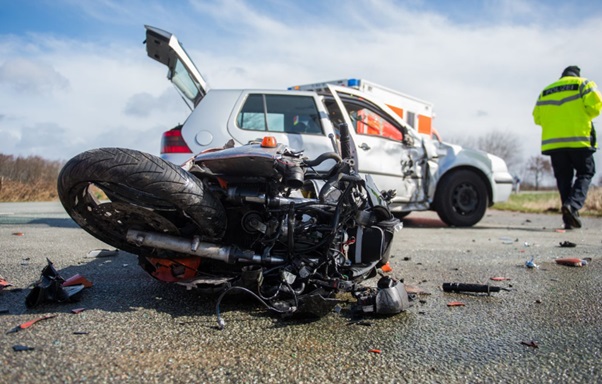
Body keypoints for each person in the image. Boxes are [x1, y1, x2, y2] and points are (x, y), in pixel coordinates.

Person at [533, 65, 602, 229]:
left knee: (563, 179)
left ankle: (568, 219)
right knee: (586, 172)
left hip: (555, 143)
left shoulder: (546, 90)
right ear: (577, 74)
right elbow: (596, 106)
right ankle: (573, 205)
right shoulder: (583, 84)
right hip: (578, 139)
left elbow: (537, 118)